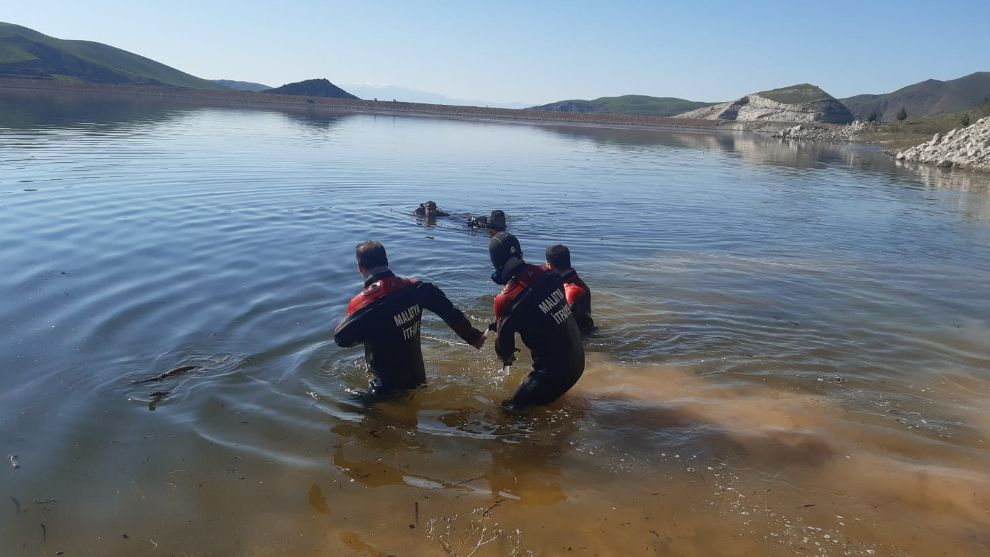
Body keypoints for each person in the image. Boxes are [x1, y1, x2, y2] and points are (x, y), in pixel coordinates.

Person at [334, 241, 485, 399]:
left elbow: (341, 338)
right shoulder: (415, 288)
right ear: (386, 261)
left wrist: (368, 328)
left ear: (360, 268)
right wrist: (472, 336)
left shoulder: (365, 304)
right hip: (418, 380)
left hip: (386, 390)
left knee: (344, 404)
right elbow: (447, 309)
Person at [489, 232, 585, 409]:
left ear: (496, 262)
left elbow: (505, 352)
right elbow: (543, 314)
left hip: (553, 375)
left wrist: (502, 325)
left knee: (508, 412)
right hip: (578, 362)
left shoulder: (506, 300)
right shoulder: (550, 275)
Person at [545, 244, 594, 332]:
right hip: (585, 330)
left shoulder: (571, 291)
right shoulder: (575, 281)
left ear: (550, 266)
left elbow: (561, 322)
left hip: (580, 337)